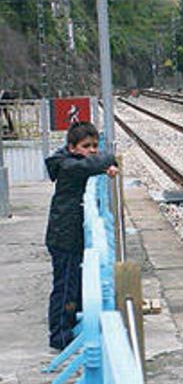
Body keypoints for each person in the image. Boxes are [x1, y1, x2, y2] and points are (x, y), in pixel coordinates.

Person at [44, 121, 118, 350]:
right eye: (87, 146)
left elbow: (93, 162)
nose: (93, 150)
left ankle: (68, 327)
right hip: (64, 237)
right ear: (72, 147)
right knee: (65, 287)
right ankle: (59, 335)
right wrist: (110, 161)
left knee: (72, 286)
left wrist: (104, 162)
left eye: (95, 145)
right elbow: (97, 162)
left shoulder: (72, 161)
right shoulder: (69, 167)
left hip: (68, 234)